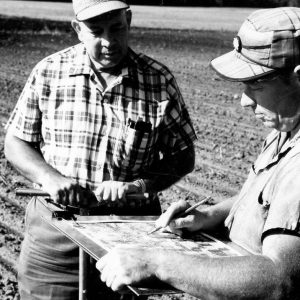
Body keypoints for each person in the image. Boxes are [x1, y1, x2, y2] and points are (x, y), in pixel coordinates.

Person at [96, 7, 300, 300]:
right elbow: (271, 201)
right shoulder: (285, 128)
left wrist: (156, 262)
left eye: (256, 83)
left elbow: (279, 279)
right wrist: (211, 215)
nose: (244, 100)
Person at [4, 0, 196, 299]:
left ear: (129, 20)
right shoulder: (49, 72)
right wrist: (51, 178)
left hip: (129, 235)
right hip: (56, 231)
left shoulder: (158, 80)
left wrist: (139, 185)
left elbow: (183, 155)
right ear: (77, 29)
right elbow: (17, 142)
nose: (109, 41)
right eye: (96, 31)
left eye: (117, 28)